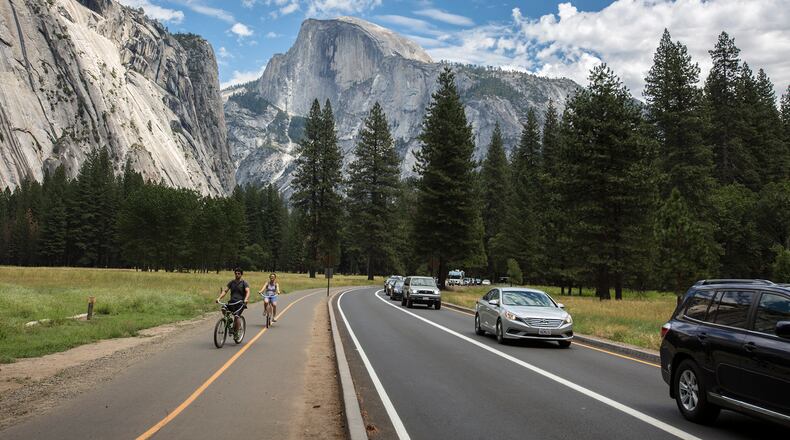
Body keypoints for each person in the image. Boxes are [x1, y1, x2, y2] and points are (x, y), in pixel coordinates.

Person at [216, 267, 250, 333]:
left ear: (241, 274)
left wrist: (246, 299)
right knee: (223, 309)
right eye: (236, 273)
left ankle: (236, 333)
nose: (237, 275)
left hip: (240, 303)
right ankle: (229, 321)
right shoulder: (231, 282)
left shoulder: (244, 283)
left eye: (239, 273)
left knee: (237, 316)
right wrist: (219, 298)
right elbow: (225, 291)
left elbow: (248, 291)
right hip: (232, 302)